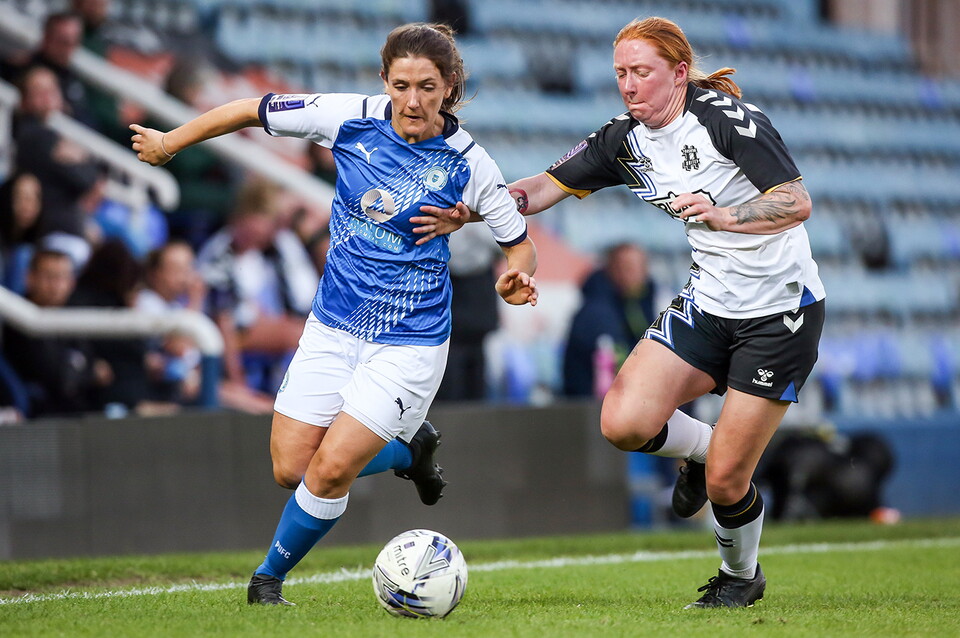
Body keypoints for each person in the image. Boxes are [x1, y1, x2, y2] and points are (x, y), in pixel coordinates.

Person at [415, 16, 824, 609]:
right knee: (623, 422)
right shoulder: (623, 139)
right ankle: (704, 447)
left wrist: (726, 215)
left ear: (679, 73)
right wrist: (472, 209)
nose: (629, 85)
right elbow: (543, 187)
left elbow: (796, 200)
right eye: (621, 74)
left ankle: (740, 578)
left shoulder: (727, 120)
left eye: (642, 73)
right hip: (709, 304)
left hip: (779, 314)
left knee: (728, 482)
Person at [129, 22, 538, 606]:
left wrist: (517, 275)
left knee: (328, 472)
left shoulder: (471, 164)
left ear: (449, 86)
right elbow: (250, 109)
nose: (413, 100)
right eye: (402, 84)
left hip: (410, 340)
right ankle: (410, 451)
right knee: (290, 468)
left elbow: (518, 242)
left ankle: (267, 581)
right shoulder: (347, 116)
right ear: (384, 81)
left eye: (427, 86)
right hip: (332, 326)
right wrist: (172, 143)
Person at [1, 249, 113, 416]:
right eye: (50, 277)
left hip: (80, 416)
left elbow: (97, 367)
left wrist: (78, 371)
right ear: (30, 278)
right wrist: (88, 372)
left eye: (62, 277)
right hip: (42, 423)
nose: (56, 286)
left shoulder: (72, 316)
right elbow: (57, 377)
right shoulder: (20, 320)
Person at [562, 242, 656, 398]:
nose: (638, 275)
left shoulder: (638, 305)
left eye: (642, 267)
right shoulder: (597, 312)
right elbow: (616, 364)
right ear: (613, 270)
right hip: (591, 409)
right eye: (629, 268)